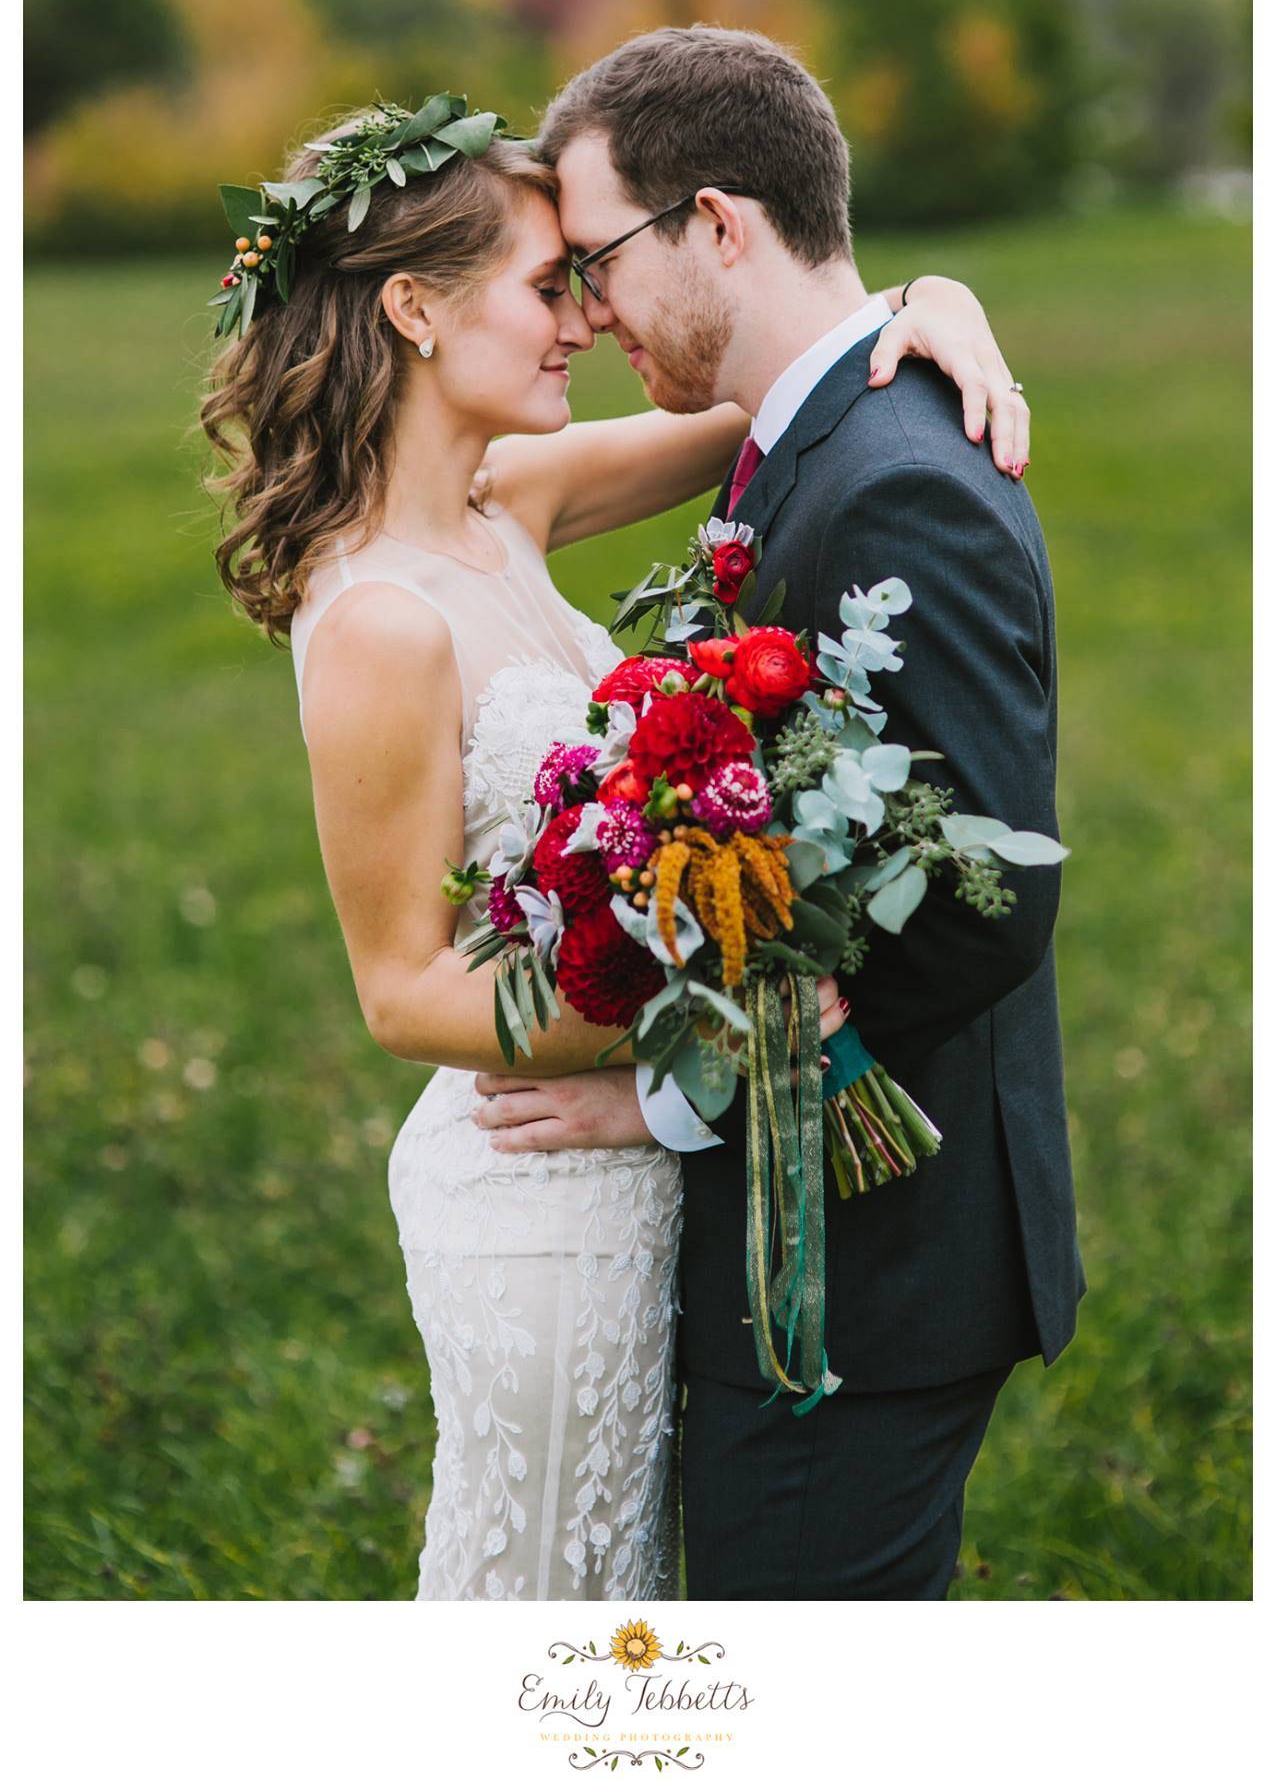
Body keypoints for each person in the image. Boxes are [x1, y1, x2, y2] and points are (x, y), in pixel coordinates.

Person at [199, 87, 1031, 1601]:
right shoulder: (380, 620)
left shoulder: (505, 502)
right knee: (552, 1602)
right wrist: (703, 1041)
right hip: (532, 1192)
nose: (582, 316)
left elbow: (793, 375)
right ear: (415, 312)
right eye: (543, 284)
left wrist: (939, 302)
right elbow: (400, 992)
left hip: (641, 1183)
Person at [474, 24, 1082, 1601]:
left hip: (869, 1275)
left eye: (599, 262)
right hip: (845, 1258)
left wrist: (672, 1101)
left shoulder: (890, 475)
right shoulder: (804, 435)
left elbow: (982, 902)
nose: (591, 311)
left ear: (721, 226)